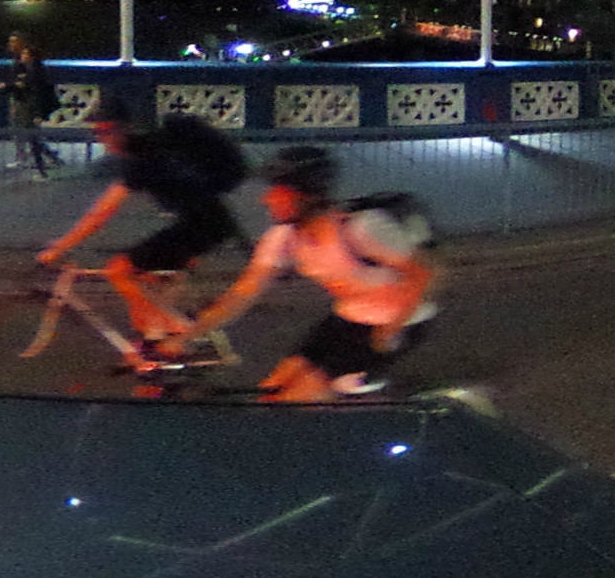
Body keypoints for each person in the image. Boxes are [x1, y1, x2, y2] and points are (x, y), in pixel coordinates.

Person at [184, 146, 441, 402]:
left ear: (306, 195)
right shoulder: (283, 237)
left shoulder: (361, 228)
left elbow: (427, 273)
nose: (266, 199)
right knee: (271, 391)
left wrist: (391, 330)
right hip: (347, 318)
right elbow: (243, 293)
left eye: (277, 191)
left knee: (297, 401)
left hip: (396, 325)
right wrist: (187, 336)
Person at [33, 95, 251, 363]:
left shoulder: (144, 158)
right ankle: (155, 340)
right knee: (147, 281)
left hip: (201, 226)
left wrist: (61, 247)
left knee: (119, 269)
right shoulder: (149, 150)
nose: (102, 138)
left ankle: (183, 335)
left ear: (123, 128)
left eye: (106, 131)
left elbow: (100, 213)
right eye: (97, 132)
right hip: (207, 224)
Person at [5, 32, 59, 173]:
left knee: (28, 131)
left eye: (14, 42)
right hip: (21, 99)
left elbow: (29, 83)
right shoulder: (19, 61)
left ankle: (36, 158)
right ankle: (43, 156)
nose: (11, 45)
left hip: (27, 102)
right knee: (24, 131)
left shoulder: (30, 64)